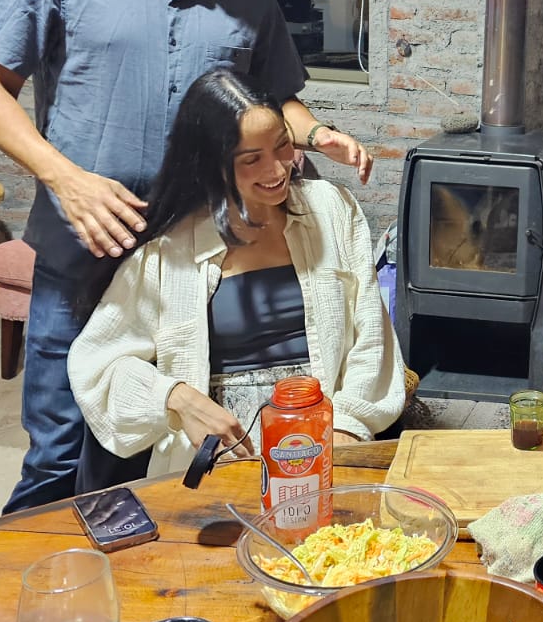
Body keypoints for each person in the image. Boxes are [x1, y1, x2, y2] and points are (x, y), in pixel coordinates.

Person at [0, 0, 372, 511]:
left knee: (176, 448)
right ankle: (46, 578)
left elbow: (274, 99)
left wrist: (314, 134)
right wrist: (66, 178)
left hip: (193, 262)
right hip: (83, 253)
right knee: (60, 455)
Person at [68, 70, 406, 483]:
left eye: (281, 145)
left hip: (328, 433)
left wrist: (348, 425)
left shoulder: (332, 209)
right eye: (251, 159)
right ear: (212, 165)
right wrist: (177, 398)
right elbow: (97, 364)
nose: (277, 169)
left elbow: (371, 335)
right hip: (223, 455)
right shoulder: (169, 251)